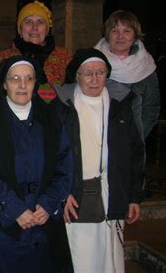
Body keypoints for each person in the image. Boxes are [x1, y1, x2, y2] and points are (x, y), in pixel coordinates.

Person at [0, 55, 73, 273]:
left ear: (36, 83)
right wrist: (14, 208)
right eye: (15, 78)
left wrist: (49, 202)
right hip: (1, 223)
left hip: (44, 222)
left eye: (28, 78)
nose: (22, 85)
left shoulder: (52, 120)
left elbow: (64, 164)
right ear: (4, 84)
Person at [53, 48, 145, 272]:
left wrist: (134, 196)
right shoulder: (61, 106)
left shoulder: (121, 105)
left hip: (112, 191)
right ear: (77, 75)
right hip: (76, 194)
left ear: (107, 75)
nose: (94, 78)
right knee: (79, 256)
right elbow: (51, 155)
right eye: (88, 73)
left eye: (100, 72)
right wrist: (61, 192)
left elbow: (135, 153)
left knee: (109, 255)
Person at [0, 0, 71, 107]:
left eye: (40, 22)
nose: (34, 27)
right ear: (20, 29)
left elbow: (73, 94)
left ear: (47, 29)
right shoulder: (3, 58)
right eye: (28, 21)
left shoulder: (63, 57)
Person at [94, 10, 160, 139]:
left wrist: (135, 139)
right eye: (114, 31)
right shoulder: (92, 62)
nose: (120, 36)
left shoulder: (146, 66)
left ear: (135, 36)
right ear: (107, 35)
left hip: (132, 143)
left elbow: (151, 109)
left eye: (127, 31)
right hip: (97, 140)